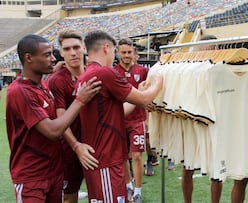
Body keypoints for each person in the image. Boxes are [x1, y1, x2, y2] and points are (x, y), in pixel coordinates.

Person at [5, 34, 101, 203]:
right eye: (47, 55)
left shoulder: (42, 84)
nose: (53, 59)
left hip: (54, 172)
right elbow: (53, 131)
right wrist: (80, 99)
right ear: (29, 58)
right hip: (31, 176)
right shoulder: (19, 91)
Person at [76, 30, 163, 203]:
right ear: (107, 48)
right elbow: (144, 99)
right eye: (117, 50)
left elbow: (114, 112)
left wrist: (141, 90)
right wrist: (159, 81)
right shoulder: (105, 73)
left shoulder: (86, 74)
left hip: (103, 157)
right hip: (105, 158)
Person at [47, 30, 95, 203]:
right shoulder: (57, 80)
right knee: (69, 197)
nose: (73, 53)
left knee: (99, 194)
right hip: (68, 150)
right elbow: (60, 120)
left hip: (95, 145)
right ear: (60, 52)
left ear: (84, 47)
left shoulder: (94, 73)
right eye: (67, 49)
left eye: (76, 47)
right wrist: (76, 146)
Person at [181, 34, 223, 203]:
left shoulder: (223, 68)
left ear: (217, 49)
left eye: (212, 48)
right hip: (193, 123)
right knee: (188, 167)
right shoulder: (188, 70)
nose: (208, 52)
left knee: (217, 172)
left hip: (216, 124)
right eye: (205, 48)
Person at [114, 38, 150, 202]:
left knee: (136, 155)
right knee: (122, 157)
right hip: (119, 121)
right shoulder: (113, 72)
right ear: (118, 53)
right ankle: (128, 185)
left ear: (134, 53)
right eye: (124, 52)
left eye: (129, 52)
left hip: (137, 120)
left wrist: (148, 119)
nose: (127, 55)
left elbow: (148, 96)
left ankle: (138, 191)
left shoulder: (143, 71)